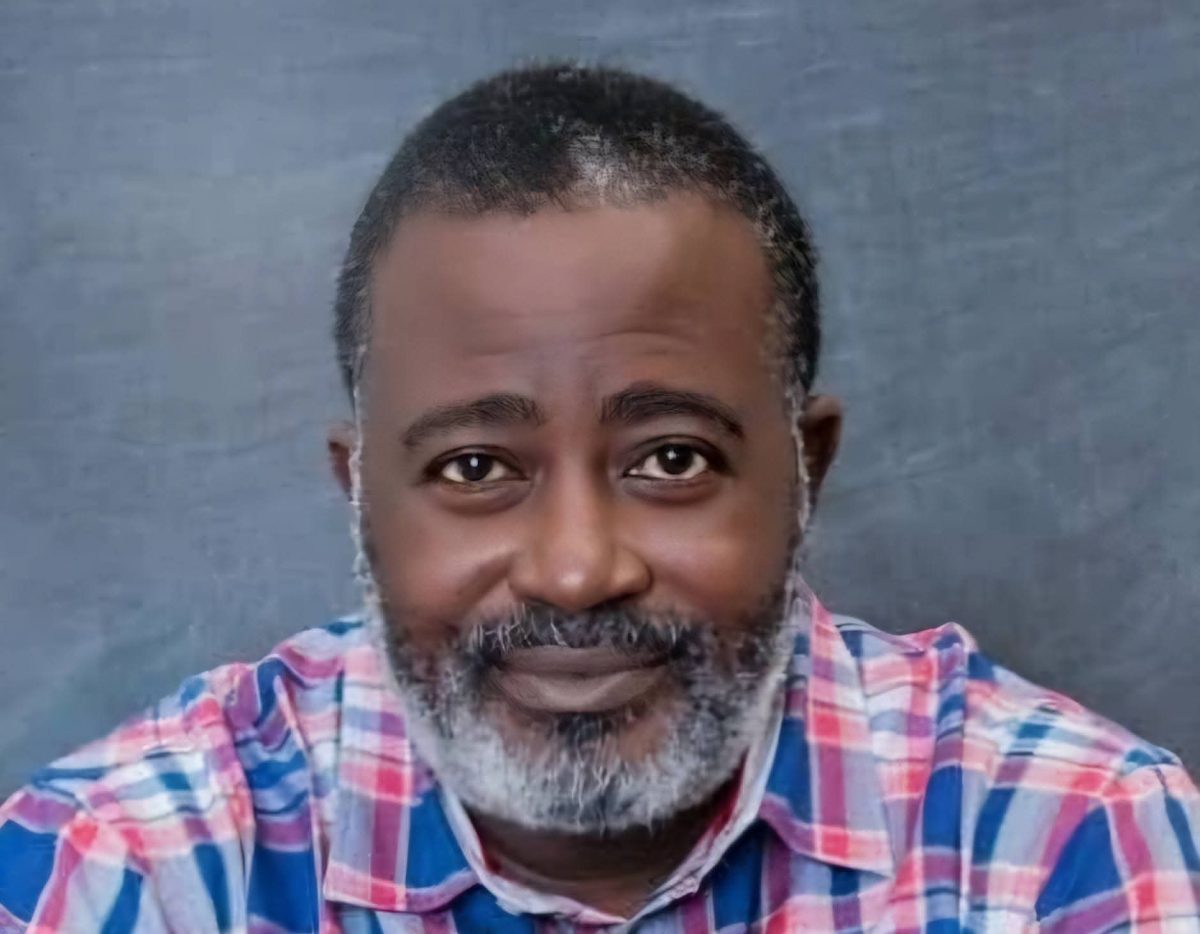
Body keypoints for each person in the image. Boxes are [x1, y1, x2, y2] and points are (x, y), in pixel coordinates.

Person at [1, 62, 1197, 934]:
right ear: (359, 496)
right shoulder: (126, 871)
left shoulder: (1071, 845)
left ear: (806, 473)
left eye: (671, 458)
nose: (577, 571)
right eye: (475, 468)